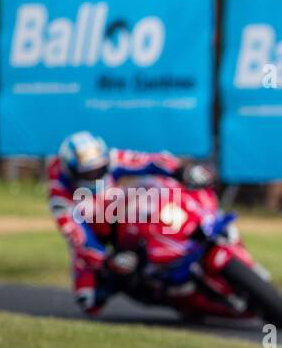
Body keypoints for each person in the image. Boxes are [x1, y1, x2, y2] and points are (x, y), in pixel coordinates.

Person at [47, 131, 212, 315]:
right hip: (100, 239)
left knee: (166, 191)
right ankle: (146, 288)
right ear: (72, 172)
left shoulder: (112, 158)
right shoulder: (60, 197)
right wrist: (106, 260)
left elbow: (151, 161)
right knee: (89, 300)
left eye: (99, 169)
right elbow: (80, 239)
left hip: (124, 216)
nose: (95, 174)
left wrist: (183, 170)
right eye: (88, 172)